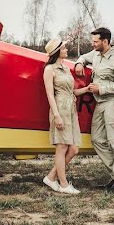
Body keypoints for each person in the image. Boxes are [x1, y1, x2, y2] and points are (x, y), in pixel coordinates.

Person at [74, 27, 114, 194]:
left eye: (95, 41)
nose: (93, 44)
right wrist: (79, 62)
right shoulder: (96, 54)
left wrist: (102, 88)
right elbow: (85, 57)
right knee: (97, 139)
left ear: (105, 41)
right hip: (101, 104)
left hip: (113, 102)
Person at [42, 36, 89, 194]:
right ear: (57, 52)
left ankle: (50, 177)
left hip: (70, 109)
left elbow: (72, 91)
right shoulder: (49, 70)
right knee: (62, 147)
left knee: (74, 149)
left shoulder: (65, 68)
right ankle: (63, 185)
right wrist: (56, 116)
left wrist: (87, 89)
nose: (66, 49)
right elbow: (50, 95)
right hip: (60, 109)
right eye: (63, 48)